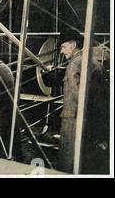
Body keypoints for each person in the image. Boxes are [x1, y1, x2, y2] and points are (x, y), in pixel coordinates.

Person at [57, 28, 109, 174]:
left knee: (70, 164)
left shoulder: (74, 65)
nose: (62, 51)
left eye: (63, 47)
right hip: (92, 123)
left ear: (73, 45)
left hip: (74, 122)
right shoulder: (96, 63)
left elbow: (78, 97)